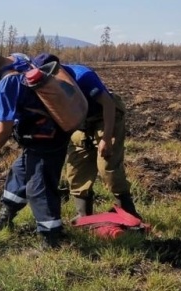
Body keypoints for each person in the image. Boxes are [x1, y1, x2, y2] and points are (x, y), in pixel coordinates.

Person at [0, 42, 70, 246]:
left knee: (39, 188)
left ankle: (51, 239)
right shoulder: (18, 58)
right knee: (19, 173)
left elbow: (3, 130)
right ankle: (6, 217)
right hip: (46, 133)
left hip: (45, 138)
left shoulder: (4, 85)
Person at [33, 53, 140, 218]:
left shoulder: (82, 76)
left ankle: (128, 213)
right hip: (79, 121)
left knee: (107, 165)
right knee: (76, 166)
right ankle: (83, 215)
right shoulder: (43, 85)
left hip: (103, 116)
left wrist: (106, 138)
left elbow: (108, 104)